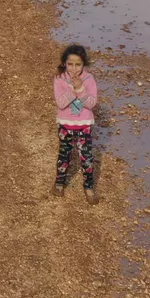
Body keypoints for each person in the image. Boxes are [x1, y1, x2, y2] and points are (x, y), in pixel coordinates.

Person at [52, 44, 100, 202]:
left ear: (83, 64)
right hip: (65, 125)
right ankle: (59, 183)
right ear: (65, 63)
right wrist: (73, 89)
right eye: (70, 64)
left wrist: (81, 89)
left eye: (78, 64)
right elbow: (60, 103)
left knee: (86, 158)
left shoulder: (89, 79)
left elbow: (91, 103)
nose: (73, 68)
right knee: (64, 155)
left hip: (84, 125)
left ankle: (89, 186)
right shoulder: (59, 79)